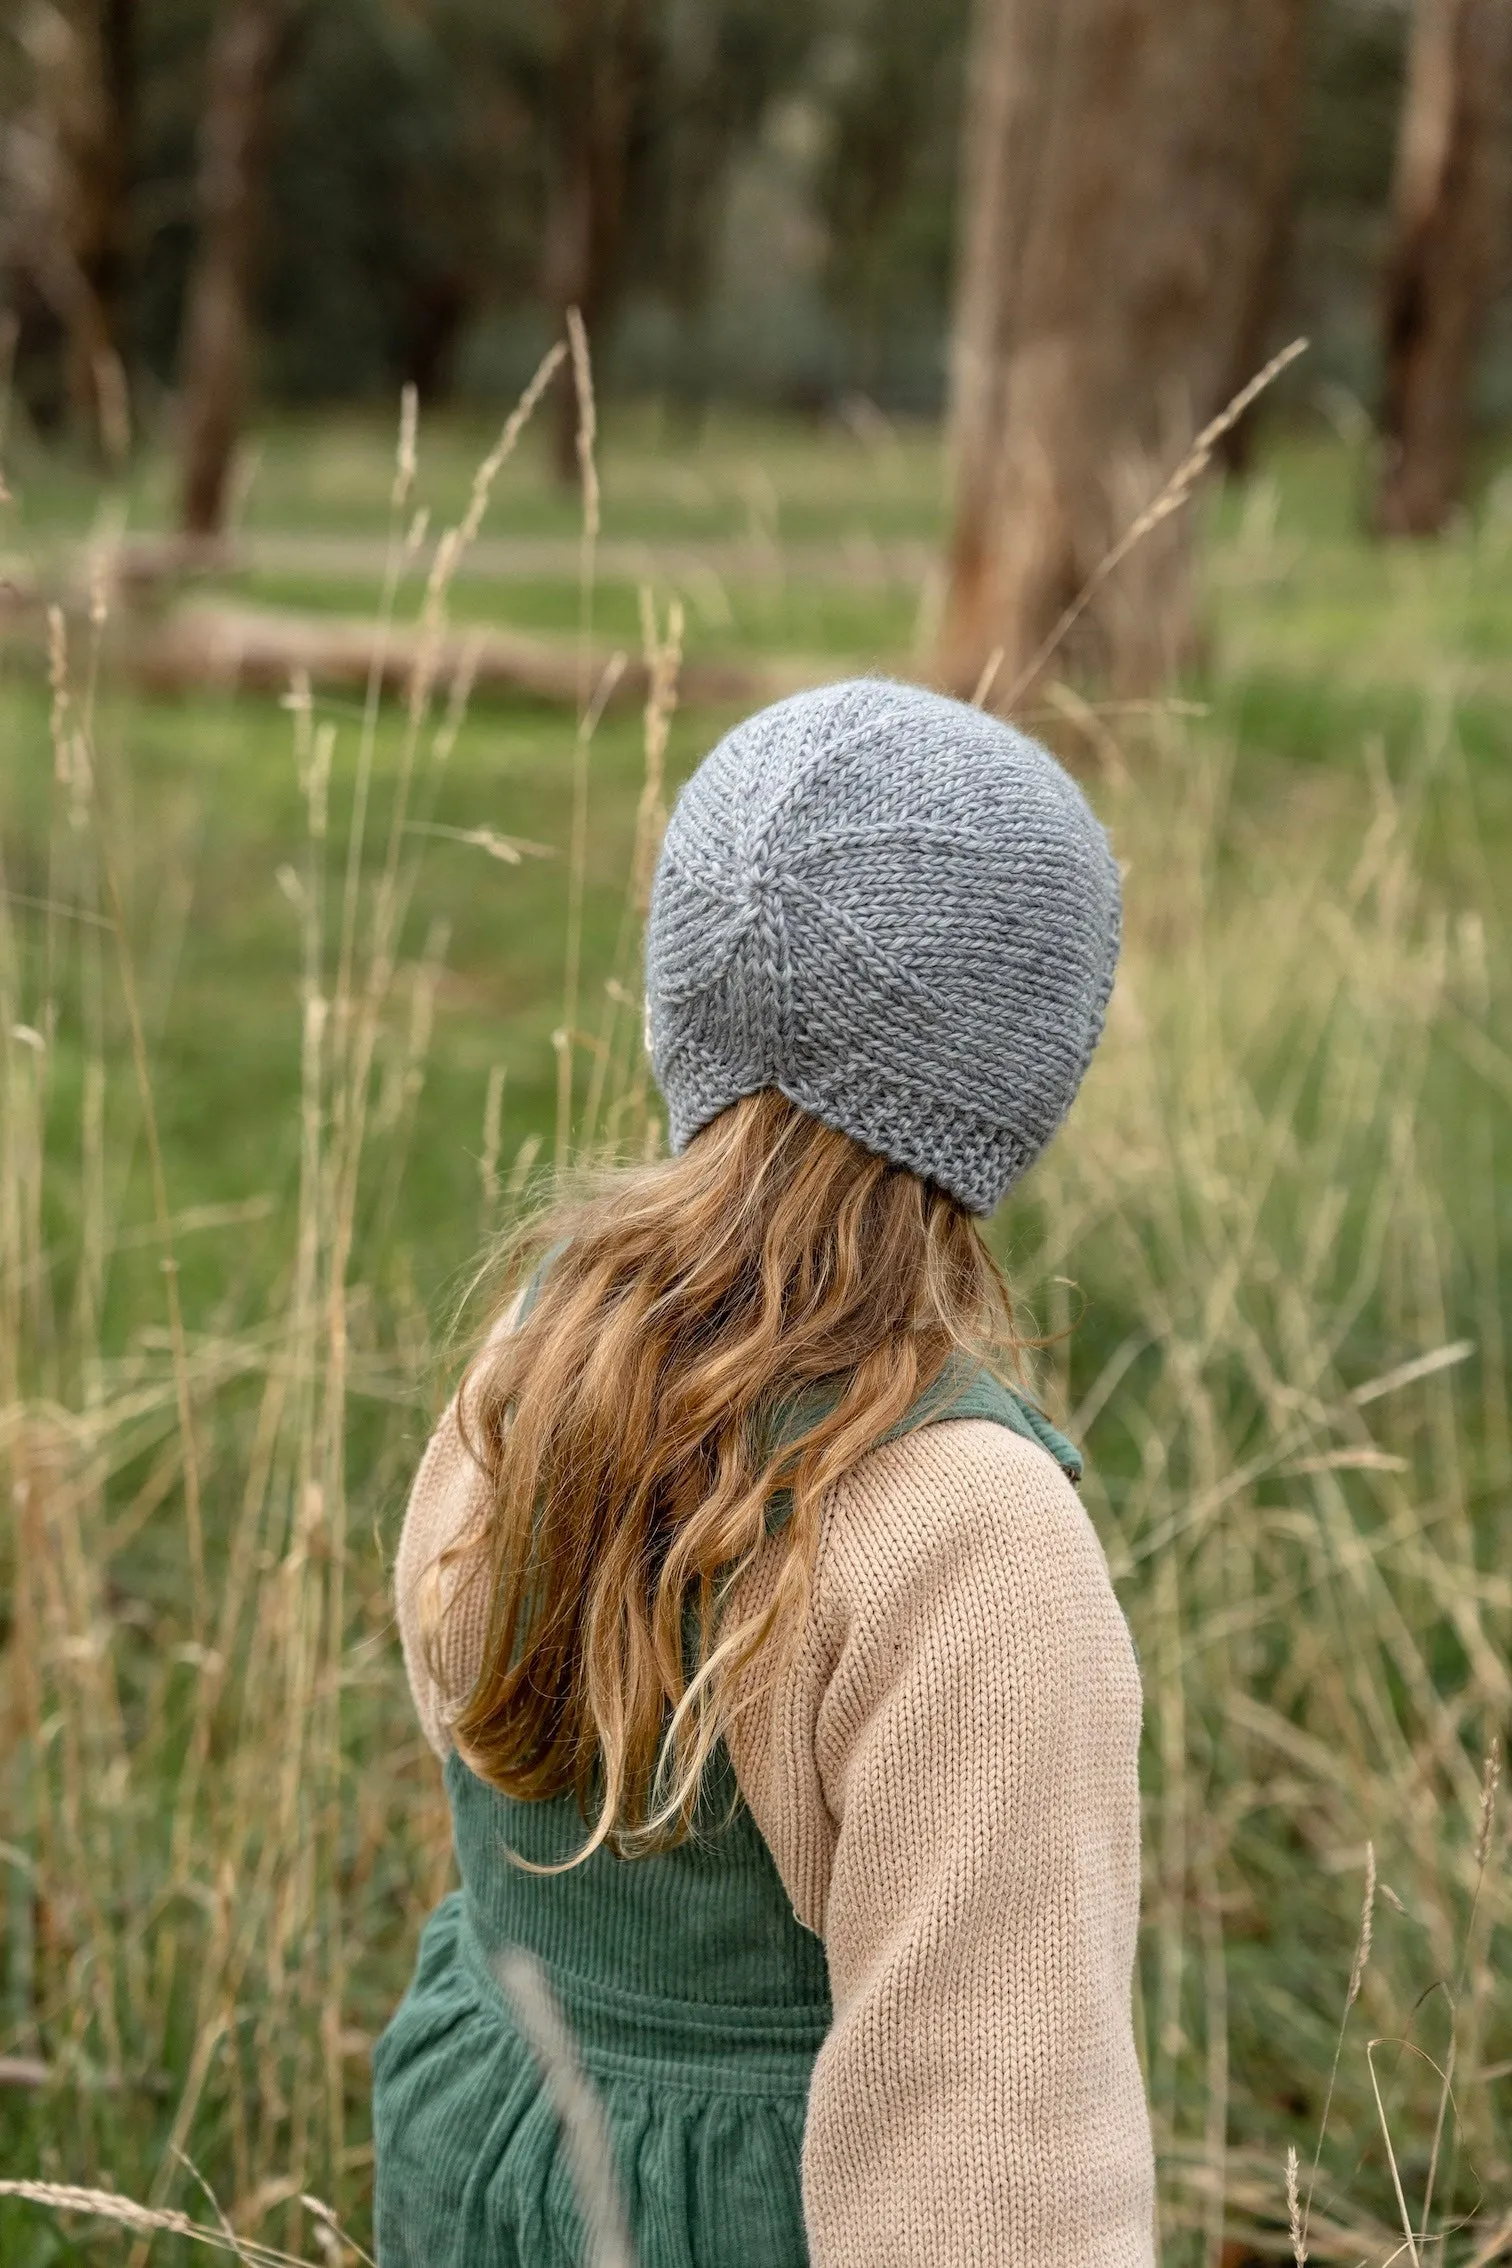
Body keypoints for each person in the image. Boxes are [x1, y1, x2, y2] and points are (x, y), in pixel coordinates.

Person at [372, 677, 1155, 2267]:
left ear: (681, 998)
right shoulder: (968, 1537)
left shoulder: (534, 1361)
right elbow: (993, 2172)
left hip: (486, 2153)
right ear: (1019, 1076)